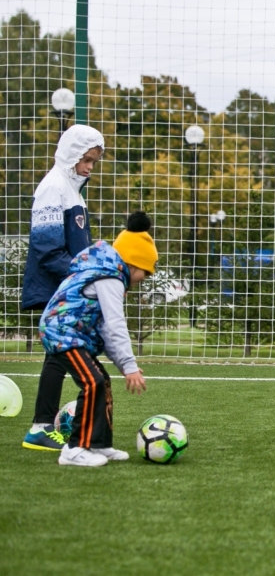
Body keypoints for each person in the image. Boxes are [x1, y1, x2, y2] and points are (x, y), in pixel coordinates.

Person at [40, 211, 155, 467]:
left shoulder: (106, 271)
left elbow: (105, 330)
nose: (144, 280)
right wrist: (130, 365)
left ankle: (98, 443)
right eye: (145, 273)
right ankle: (74, 449)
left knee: (101, 381)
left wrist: (124, 365)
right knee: (92, 382)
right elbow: (116, 325)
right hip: (62, 333)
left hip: (72, 334)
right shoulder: (111, 277)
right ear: (133, 264)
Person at [21, 124, 105, 452]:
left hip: (66, 286)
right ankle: (42, 426)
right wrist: (84, 277)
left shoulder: (72, 191)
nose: (89, 167)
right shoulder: (52, 187)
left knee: (57, 355)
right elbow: (47, 250)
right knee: (62, 353)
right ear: (71, 154)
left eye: (94, 162)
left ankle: (42, 425)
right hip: (55, 286)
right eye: (86, 159)